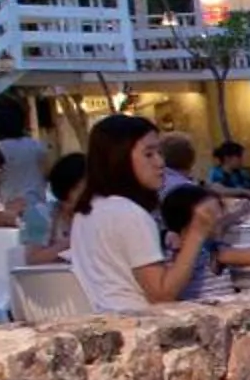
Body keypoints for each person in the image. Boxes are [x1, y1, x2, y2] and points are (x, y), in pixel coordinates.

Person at [66, 114, 225, 315]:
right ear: (120, 158)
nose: (160, 163)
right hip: (141, 326)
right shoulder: (128, 214)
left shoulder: (87, 211)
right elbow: (161, 294)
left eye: (159, 152)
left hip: (104, 321)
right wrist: (196, 232)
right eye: (148, 154)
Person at [21, 152, 84, 260]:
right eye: (78, 189)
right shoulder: (42, 214)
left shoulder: (97, 213)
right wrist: (69, 242)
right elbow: (33, 259)